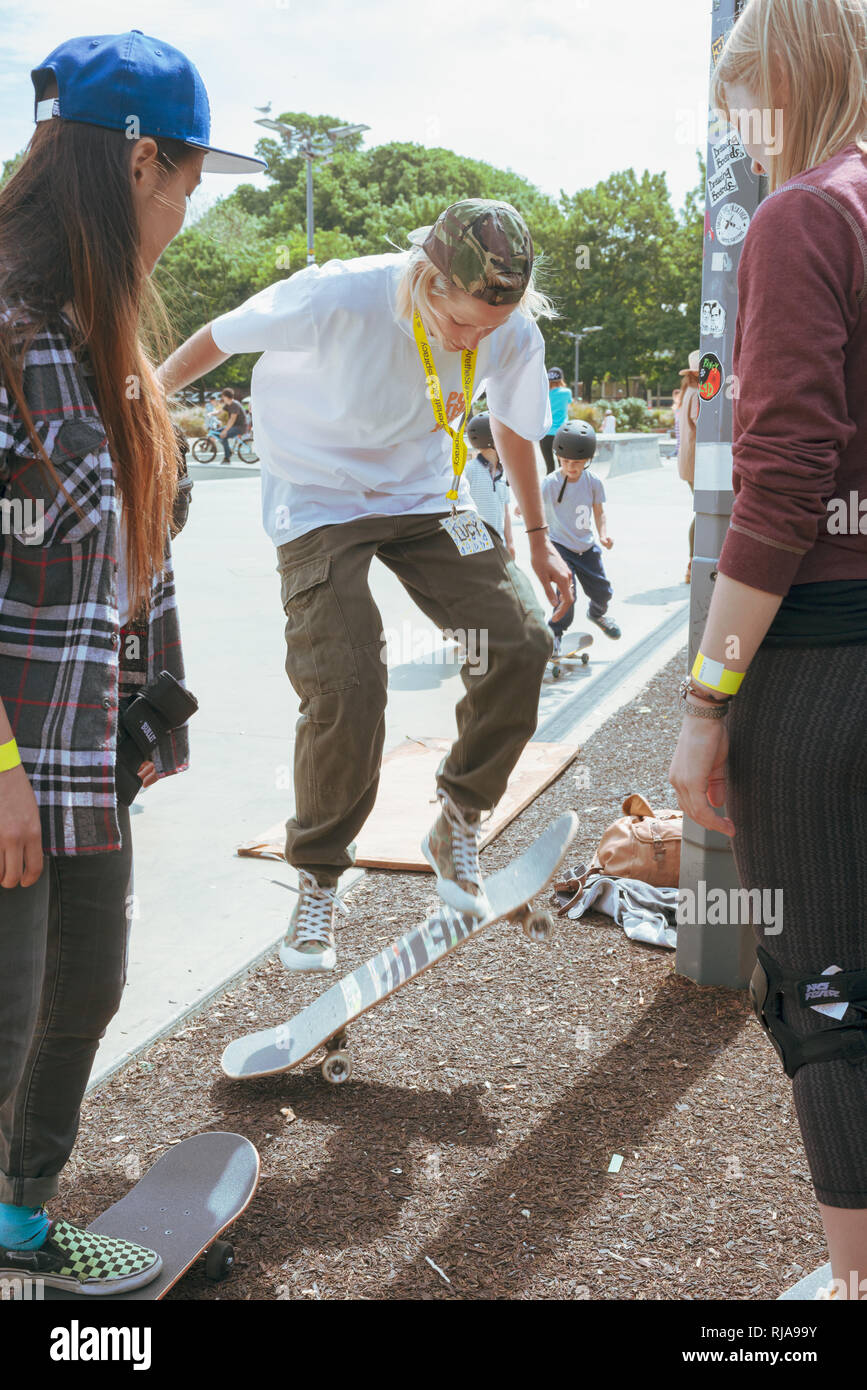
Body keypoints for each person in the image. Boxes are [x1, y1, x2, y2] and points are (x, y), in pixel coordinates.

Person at [0, 30, 261, 1296]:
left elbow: (122, 555)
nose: (187, 207)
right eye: (188, 179)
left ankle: (22, 1228)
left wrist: (141, 726)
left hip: (82, 754)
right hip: (11, 763)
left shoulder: (96, 337)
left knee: (85, 987)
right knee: (4, 1021)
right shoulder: (3, 327)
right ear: (139, 159)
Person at [159, 199, 573, 971]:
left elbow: (515, 427)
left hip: (425, 497)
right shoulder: (338, 293)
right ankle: (317, 876)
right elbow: (218, 337)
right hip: (317, 500)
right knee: (346, 679)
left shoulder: (508, 327)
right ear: (426, 278)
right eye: (459, 326)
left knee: (520, 637)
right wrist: (146, 400)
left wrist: (540, 541)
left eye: (487, 331)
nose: (471, 342)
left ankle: (457, 817)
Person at [669, 0, 867, 1301]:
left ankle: (851, 1278)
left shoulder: (805, 212)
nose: (735, 139)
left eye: (740, 103)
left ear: (784, 79)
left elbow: (783, 480)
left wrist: (703, 696)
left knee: (824, 987)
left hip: (815, 670)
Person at [541, 419, 621, 659]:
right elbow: (536, 506)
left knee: (603, 592)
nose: (570, 467)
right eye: (565, 461)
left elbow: (599, 511)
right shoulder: (550, 483)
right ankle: (554, 633)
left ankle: (597, 614)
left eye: (576, 463)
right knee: (568, 596)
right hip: (561, 548)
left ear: (587, 460)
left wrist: (603, 534)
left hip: (587, 548)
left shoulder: (593, 482)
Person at [464, 411, 515, 556]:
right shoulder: (469, 470)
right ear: (492, 441)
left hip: (499, 544)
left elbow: (505, 511)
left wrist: (510, 542)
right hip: (476, 546)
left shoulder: (504, 472)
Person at [677, 350, 700, 583]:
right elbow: (703, 424)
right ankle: (693, 564)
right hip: (696, 462)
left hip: (687, 461)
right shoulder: (697, 395)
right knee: (703, 513)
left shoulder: (687, 392)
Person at [539, 366, 573, 475]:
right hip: (561, 433)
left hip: (545, 433)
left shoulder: (543, 393)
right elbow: (569, 405)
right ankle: (563, 490)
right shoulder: (566, 392)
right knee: (562, 467)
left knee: (549, 468)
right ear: (561, 379)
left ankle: (549, 491)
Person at [219, 387, 247, 463]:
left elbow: (232, 420)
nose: (222, 398)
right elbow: (220, 412)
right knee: (217, 432)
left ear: (226, 396)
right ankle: (228, 450)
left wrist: (225, 431)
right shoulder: (227, 404)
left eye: (223, 396)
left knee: (223, 436)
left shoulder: (235, 405)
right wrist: (210, 414)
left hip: (240, 427)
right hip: (234, 426)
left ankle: (227, 457)